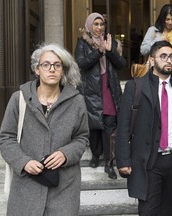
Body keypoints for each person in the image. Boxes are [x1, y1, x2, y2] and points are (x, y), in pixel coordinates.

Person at [115, 40, 172, 216]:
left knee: (169, 210)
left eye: (171, 57)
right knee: (148, 211)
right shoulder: (135, 87)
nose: (168, 61)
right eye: (163, 56)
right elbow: (123, 126)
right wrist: (123, 159)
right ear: (151, 60)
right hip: (148, 160)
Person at [0, 43, 89, 215]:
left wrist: (65, 153)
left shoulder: (76, 102)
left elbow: (82, 138)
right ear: (37, 69)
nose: (52, 69)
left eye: (57, 65)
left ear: (63, 70)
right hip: (26, 187)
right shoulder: (19, 99)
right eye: (45, 64)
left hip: (64, 189)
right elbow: (6, 138)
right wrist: (23, 161)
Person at [74, 12, 126, 179]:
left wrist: (110, 51)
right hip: (91, 90)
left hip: (109, 87)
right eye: (95, 24)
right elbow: (81, 63)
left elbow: (121, 64)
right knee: (94, 126)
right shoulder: (82, 43)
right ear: (90, 25)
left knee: (110, 126)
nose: (99, 27)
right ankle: (96, 155)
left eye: (101, 24)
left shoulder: (113, 42)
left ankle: (109, 163)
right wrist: (99, 52)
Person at [140, 4, 172, 79]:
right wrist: (157, 40)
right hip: (156, 76)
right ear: (162, 18)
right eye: (167, 19)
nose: (170, 22)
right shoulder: (153, 31)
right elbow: (143, 50)